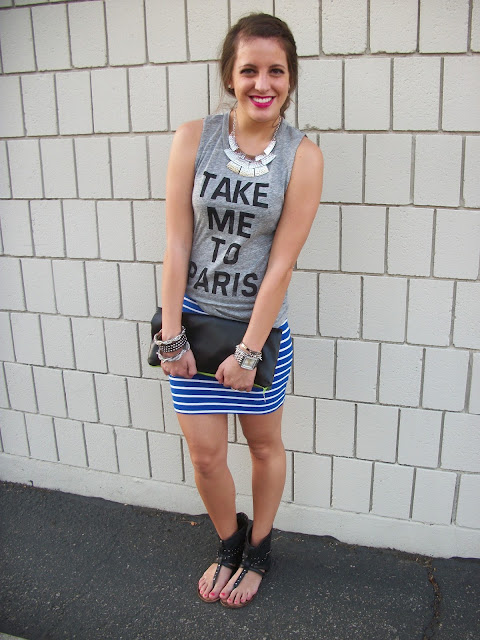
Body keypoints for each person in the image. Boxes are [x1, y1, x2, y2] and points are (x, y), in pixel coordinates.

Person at [158, 13, 323, 608]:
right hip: (194, 324)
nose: (263, 83)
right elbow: (177, 241)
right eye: (249, 69)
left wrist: (249, 352)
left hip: (260, 333)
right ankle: (228, 542)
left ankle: (259, 548)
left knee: (262, 446)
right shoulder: (193, 138)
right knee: (206, 456)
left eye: (276, 71)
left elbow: (281, 264)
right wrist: (171, 335)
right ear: (230, 75)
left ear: (290, 78)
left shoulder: (303, 156)